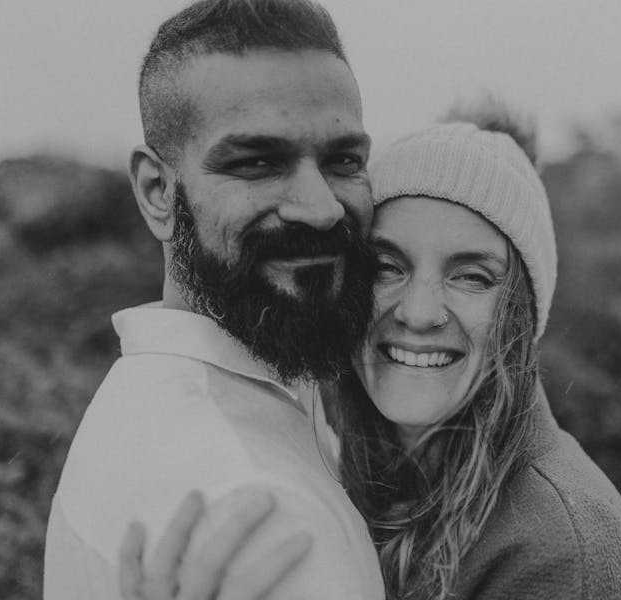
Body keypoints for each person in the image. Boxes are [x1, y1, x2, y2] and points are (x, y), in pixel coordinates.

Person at [118, 113, 621, 599]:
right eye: (387, 267)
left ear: (519, 315)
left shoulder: (562, 555)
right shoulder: (353, 471)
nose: (420, 312)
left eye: (471, 277)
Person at [43, 1, 386, 599]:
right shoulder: (262, 521)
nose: (322, 206)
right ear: (157, 191)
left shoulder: (148, 394)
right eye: (258, 163)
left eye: (344, 161)